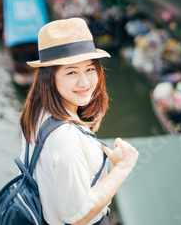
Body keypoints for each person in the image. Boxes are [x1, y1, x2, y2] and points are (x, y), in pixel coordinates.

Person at [19, 18, 139, 225]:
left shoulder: (37, 113)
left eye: (90, 69)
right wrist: (122, 168)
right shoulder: (65, 137)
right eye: (71, 72)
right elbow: (78, 216)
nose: (84, 82)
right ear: (50, 77)